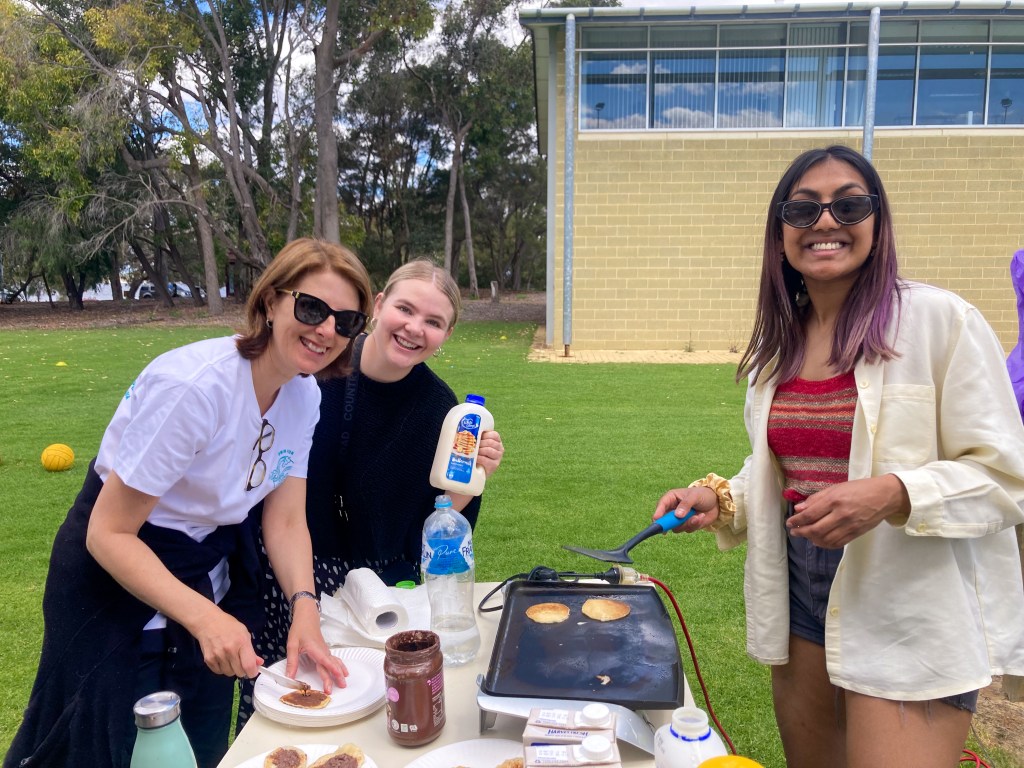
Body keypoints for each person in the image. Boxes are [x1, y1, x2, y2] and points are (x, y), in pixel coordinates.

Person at [653, 146, 1024, 768]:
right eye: (803, 209)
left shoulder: (941, 321)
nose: (825, 221)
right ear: (780, 235)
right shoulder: (781, 347)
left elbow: (1006, 474)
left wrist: (894, 493)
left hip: (910, 599)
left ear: (878, 223)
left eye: (849, 205)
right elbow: (784, 469)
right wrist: (720, 498)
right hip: (801, 588)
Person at [5, 238, 374, 768]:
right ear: (271, 302)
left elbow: (288, 519)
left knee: (199, 749)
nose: (326, 331)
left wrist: (305, 609)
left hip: (204, 573)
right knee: (106, 746)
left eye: (347, 321)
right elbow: (107, 533)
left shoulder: (304, 394)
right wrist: (206, 619)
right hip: (114, 578)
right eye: (312, 308)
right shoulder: (194, 387)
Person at [238, 259, 504, 724]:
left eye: (434, 322)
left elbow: (434, 526)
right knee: (290, 704)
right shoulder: (317, 370)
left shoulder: (439, 408)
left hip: (384, 589)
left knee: (378, 709)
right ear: (379, 305)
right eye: (405, 309)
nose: (414, 328)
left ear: (446, 335)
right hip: (295, 573)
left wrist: (473, 476)